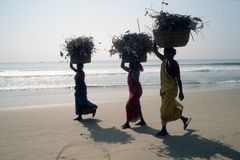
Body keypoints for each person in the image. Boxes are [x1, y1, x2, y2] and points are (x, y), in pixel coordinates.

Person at [153, 42, 191, 136]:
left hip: (171, 90)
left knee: (163, 110)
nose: (166, 54)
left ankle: (164, 129)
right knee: (171, 108)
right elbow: (155, 50)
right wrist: (155, 40)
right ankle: (185, 119)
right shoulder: (164, 60)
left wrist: (181, 92)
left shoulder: (174, 64)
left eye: (168, 53)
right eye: (165, 53)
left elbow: (178, 78)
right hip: (164, 89)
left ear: (173, 54)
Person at [121, 60, 147, 129]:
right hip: (132, 91)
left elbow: (137, 65)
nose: (129, 64)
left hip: (136, 91)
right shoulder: (130, 70)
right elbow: (122, 66)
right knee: (137, 106)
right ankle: (142, 121)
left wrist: (135, 60)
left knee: (128, 106)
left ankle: (127, 123)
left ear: (134, 64)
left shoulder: (136, 71)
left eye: (130, 63)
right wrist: (123, 59)